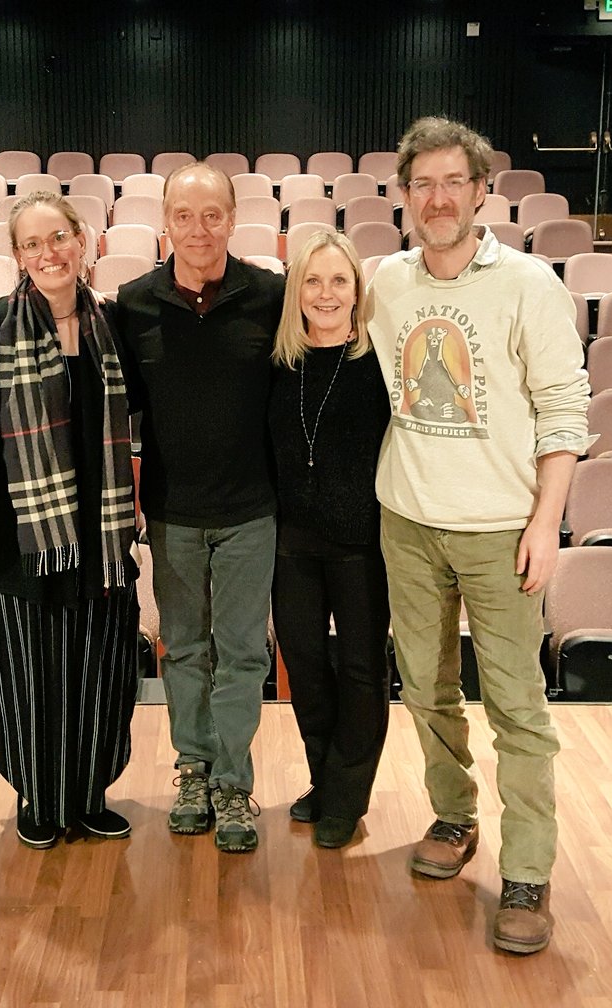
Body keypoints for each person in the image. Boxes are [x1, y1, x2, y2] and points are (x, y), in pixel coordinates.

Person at [367, 116, 594, 954]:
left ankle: (527, 872)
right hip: (407, 522)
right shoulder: (385, 281)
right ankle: (453, 817)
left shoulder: (530, 284)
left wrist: (547, 522)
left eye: (452, 183)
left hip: (502, 530)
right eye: (422, 184)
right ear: (404, 195)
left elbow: (565, 408)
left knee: (517, 707)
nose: (437, 199)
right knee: (426, 692)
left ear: (480, 192)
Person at [114, 162, 284, 853]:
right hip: (173, 513)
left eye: (212, 214)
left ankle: (234, 782)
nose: (199, 229)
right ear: (165, 222)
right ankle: (194, 769)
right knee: (184, 649)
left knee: (242, 653)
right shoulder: (133, 303)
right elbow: (117, 408)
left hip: (251, 510)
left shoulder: (270, 295)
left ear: (233, 219)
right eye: (184, 215)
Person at [0, 191, 142, 850]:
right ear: (18, 256)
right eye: (33, 243)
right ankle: (37, 796)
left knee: (98, 670)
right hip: (23, 537)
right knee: (26, 674)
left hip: (100, 536)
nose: (49, 253)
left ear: (83, 240)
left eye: (59, 237)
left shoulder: (114, 323)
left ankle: (90, 793)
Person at [268, 230, 391, 850]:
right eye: (312, 281)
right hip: (292, 544)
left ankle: (348, 795)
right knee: (307, 666)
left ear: (357, 289)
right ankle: (325, 777)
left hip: (362, 543)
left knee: (363, 669)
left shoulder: (379, 364)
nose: (326, 293)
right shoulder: (277, 365)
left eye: (339, 280)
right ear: (296, 291)